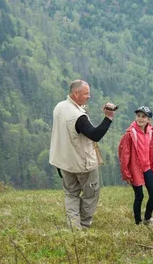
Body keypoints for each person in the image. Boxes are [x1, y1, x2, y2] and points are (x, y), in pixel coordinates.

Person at [49, 79, 116, 230]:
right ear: (76, 93)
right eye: (86, 93)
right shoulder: (77, 116)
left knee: (71, 193)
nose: (89, 96)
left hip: (65, 161)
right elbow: (95, 135)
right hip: (82, 163)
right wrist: (108, 117)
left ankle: (74, 225)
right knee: (90, 194)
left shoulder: (60, 107)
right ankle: (84, 224)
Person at [118, 106, 153, 227]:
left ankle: (147, 218)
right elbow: (124, 154)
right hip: (135, 169)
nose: (140, 119)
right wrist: (126, 172)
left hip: (147, 167)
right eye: (138, 116)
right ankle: (138, 222)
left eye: (144, 116)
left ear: (149, 119)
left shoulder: (150, 132)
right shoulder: (130, 134)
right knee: (139, 196)